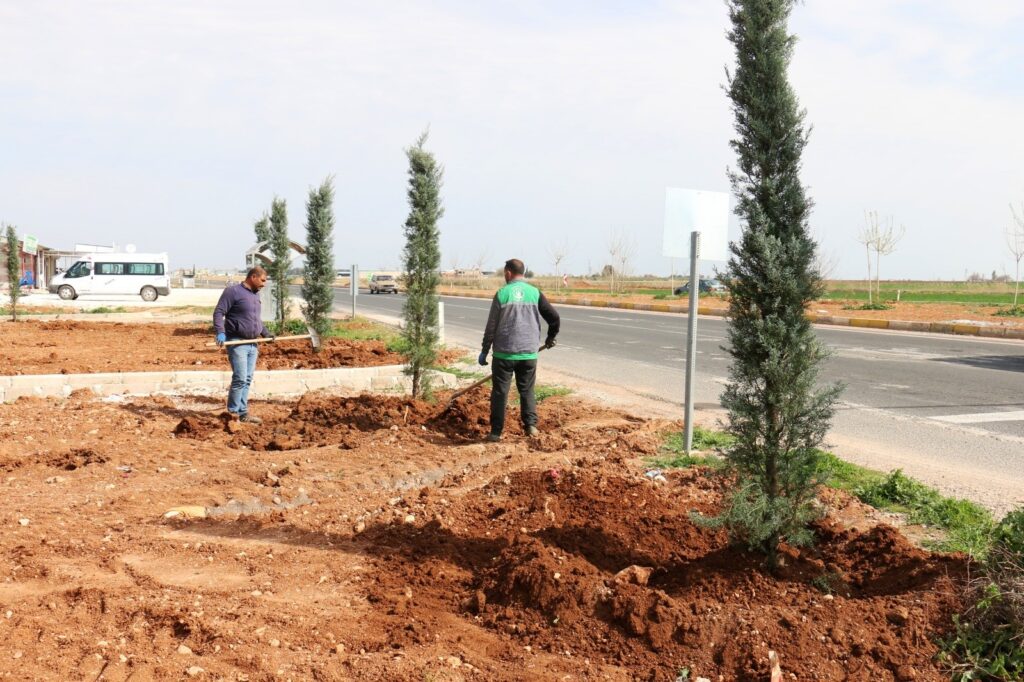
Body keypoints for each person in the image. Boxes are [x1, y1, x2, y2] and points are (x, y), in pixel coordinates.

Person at [479, 258, 560, 442]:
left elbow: (491, 326)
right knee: (527, 390)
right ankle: (530, 426)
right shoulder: (534, 293)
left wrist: (485, 350)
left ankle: (495, 433)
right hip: (528, 353)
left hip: (504, 354)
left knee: (500, 392)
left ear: (508, 273)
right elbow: (554, 317)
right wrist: (550, 337)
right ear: (523, 273)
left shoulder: (502, 293)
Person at [213, 266, 274, 423]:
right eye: (262, 280)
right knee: (240, 378)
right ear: (253, 277)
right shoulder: (232, 292)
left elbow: (255, 319)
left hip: (253, 343)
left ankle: (243, 413)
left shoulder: (254, 296)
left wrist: (265, 333)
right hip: (237, 342)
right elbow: (219, 312)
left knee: (247, 378)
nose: (264, 284)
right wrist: (220, 331)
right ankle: (232, 414)